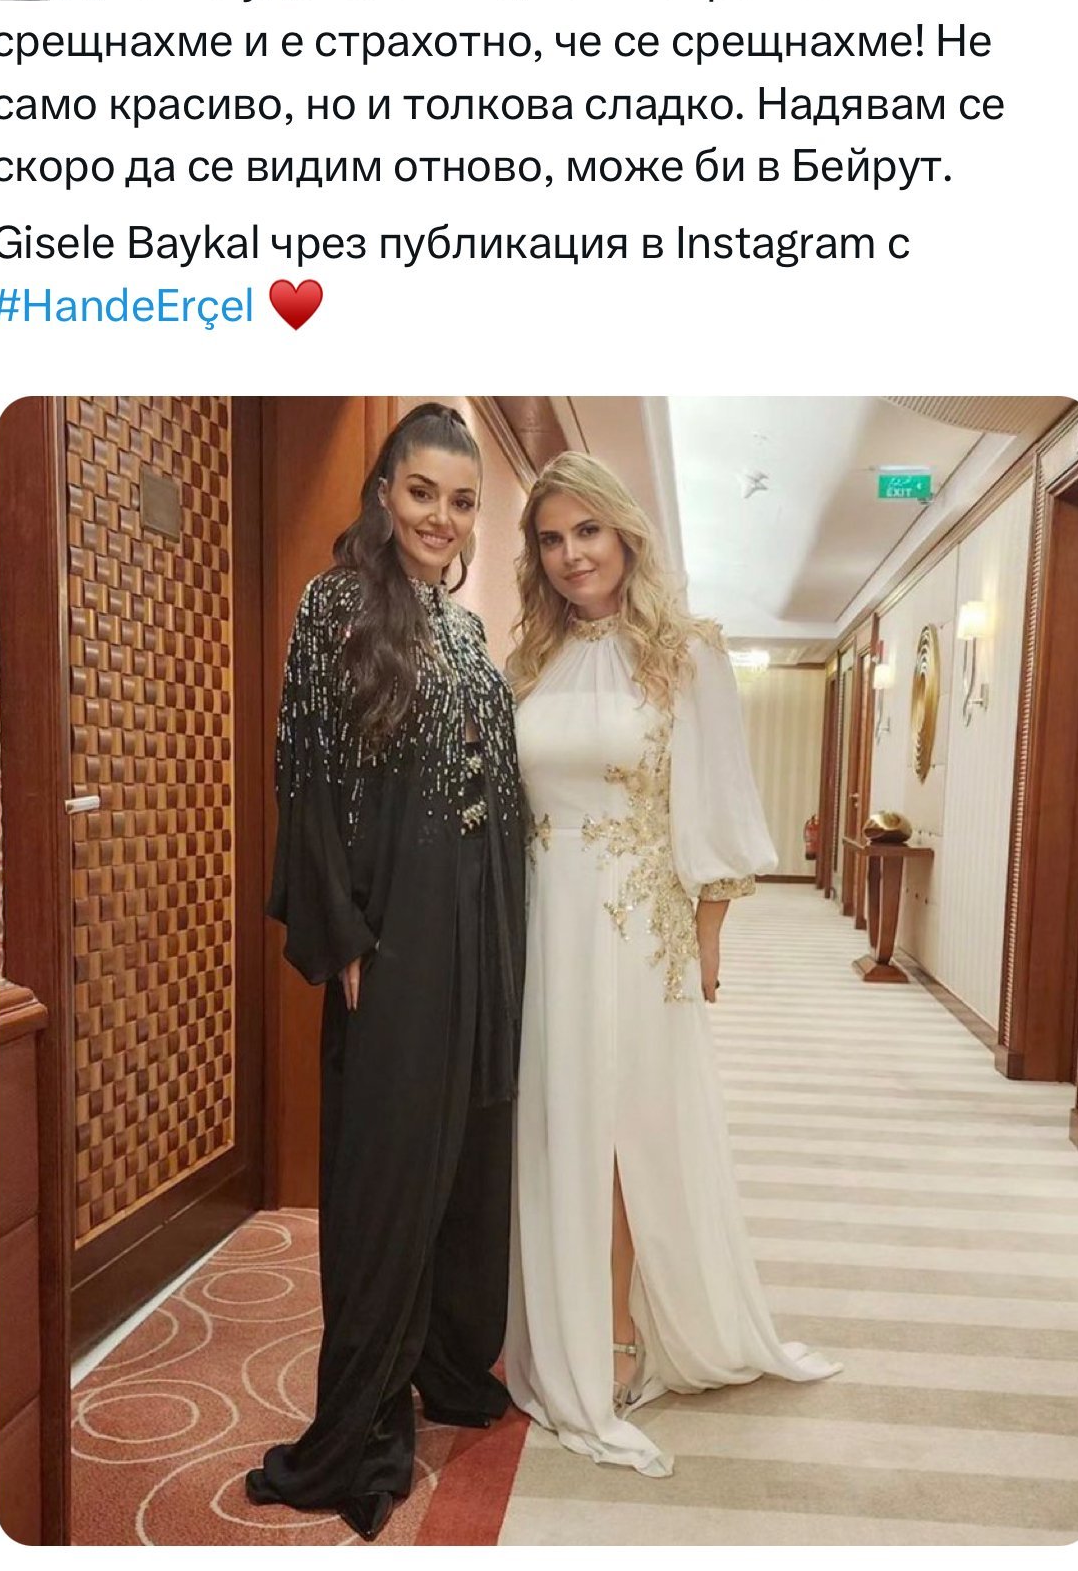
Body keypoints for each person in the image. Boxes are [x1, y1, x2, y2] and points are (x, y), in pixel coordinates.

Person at [503, 452, 840, 1477]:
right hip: (542, 917)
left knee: (623, 1127)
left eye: (587, 532)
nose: (571, 556)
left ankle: (616, 1331)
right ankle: (557, 1318)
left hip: (634, 922)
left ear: (625, 533)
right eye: (551, 540)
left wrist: (706, 940)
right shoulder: (530, 660)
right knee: (556, 1121)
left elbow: (718, 801)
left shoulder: (685, 652)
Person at [246, 403, 526, 1539]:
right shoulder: (336, 608)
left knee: (464, 1156)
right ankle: (359, 1426)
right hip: (396, 934)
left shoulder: (465, 629)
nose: (440, 518)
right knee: (387, 1174)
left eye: (461, 501)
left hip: (476, 925)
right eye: (422, 492)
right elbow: (306, 777)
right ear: (383, 492)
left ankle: (446, 1365)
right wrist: (345, 933)